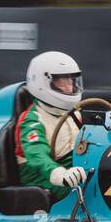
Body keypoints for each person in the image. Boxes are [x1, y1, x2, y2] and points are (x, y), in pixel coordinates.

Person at [16, 51, 88, 201]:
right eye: (61, 82)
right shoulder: (32, 121)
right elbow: (37, 156)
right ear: (42, 83)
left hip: (72, 166)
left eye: (71, 81)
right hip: (42, 177)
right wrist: (58, 173)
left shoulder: (72, 112)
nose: (69, 88)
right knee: (89, 191)